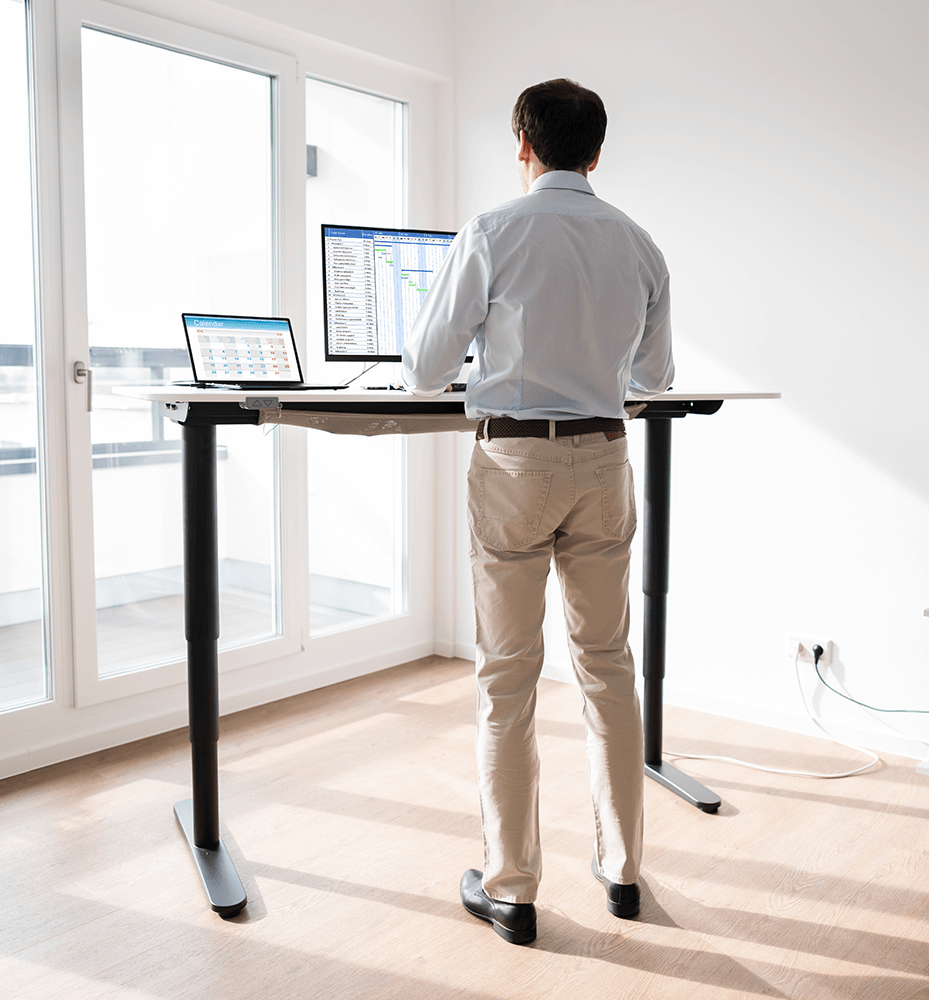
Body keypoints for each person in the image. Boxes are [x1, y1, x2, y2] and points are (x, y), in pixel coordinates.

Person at [402, 78, 674, 945]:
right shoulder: (639, 245)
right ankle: (624, 871)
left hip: (515, 460)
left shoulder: (491, 232)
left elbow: (423, 370)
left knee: (507, 678)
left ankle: (512, 888)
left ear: (523, 143)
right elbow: (655, 382)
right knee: (607, 666)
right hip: (603, 458)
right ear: (597, 153)